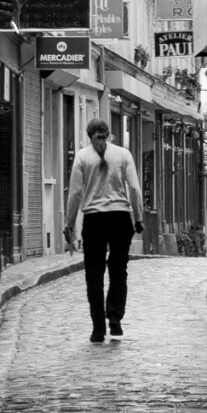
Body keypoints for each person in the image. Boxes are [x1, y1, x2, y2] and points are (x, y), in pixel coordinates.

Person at [62, 116, 143, 342]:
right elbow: (134, 189)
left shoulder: (82, 157)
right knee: (118, 270)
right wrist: (138, 218)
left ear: (89, 135)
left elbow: (75, 193)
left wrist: (69, 224)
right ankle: (115, 317)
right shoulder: (123, 154)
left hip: (94, 220)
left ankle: (98, 328)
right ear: (109, 134)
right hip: (120, 218)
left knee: (94, 274)